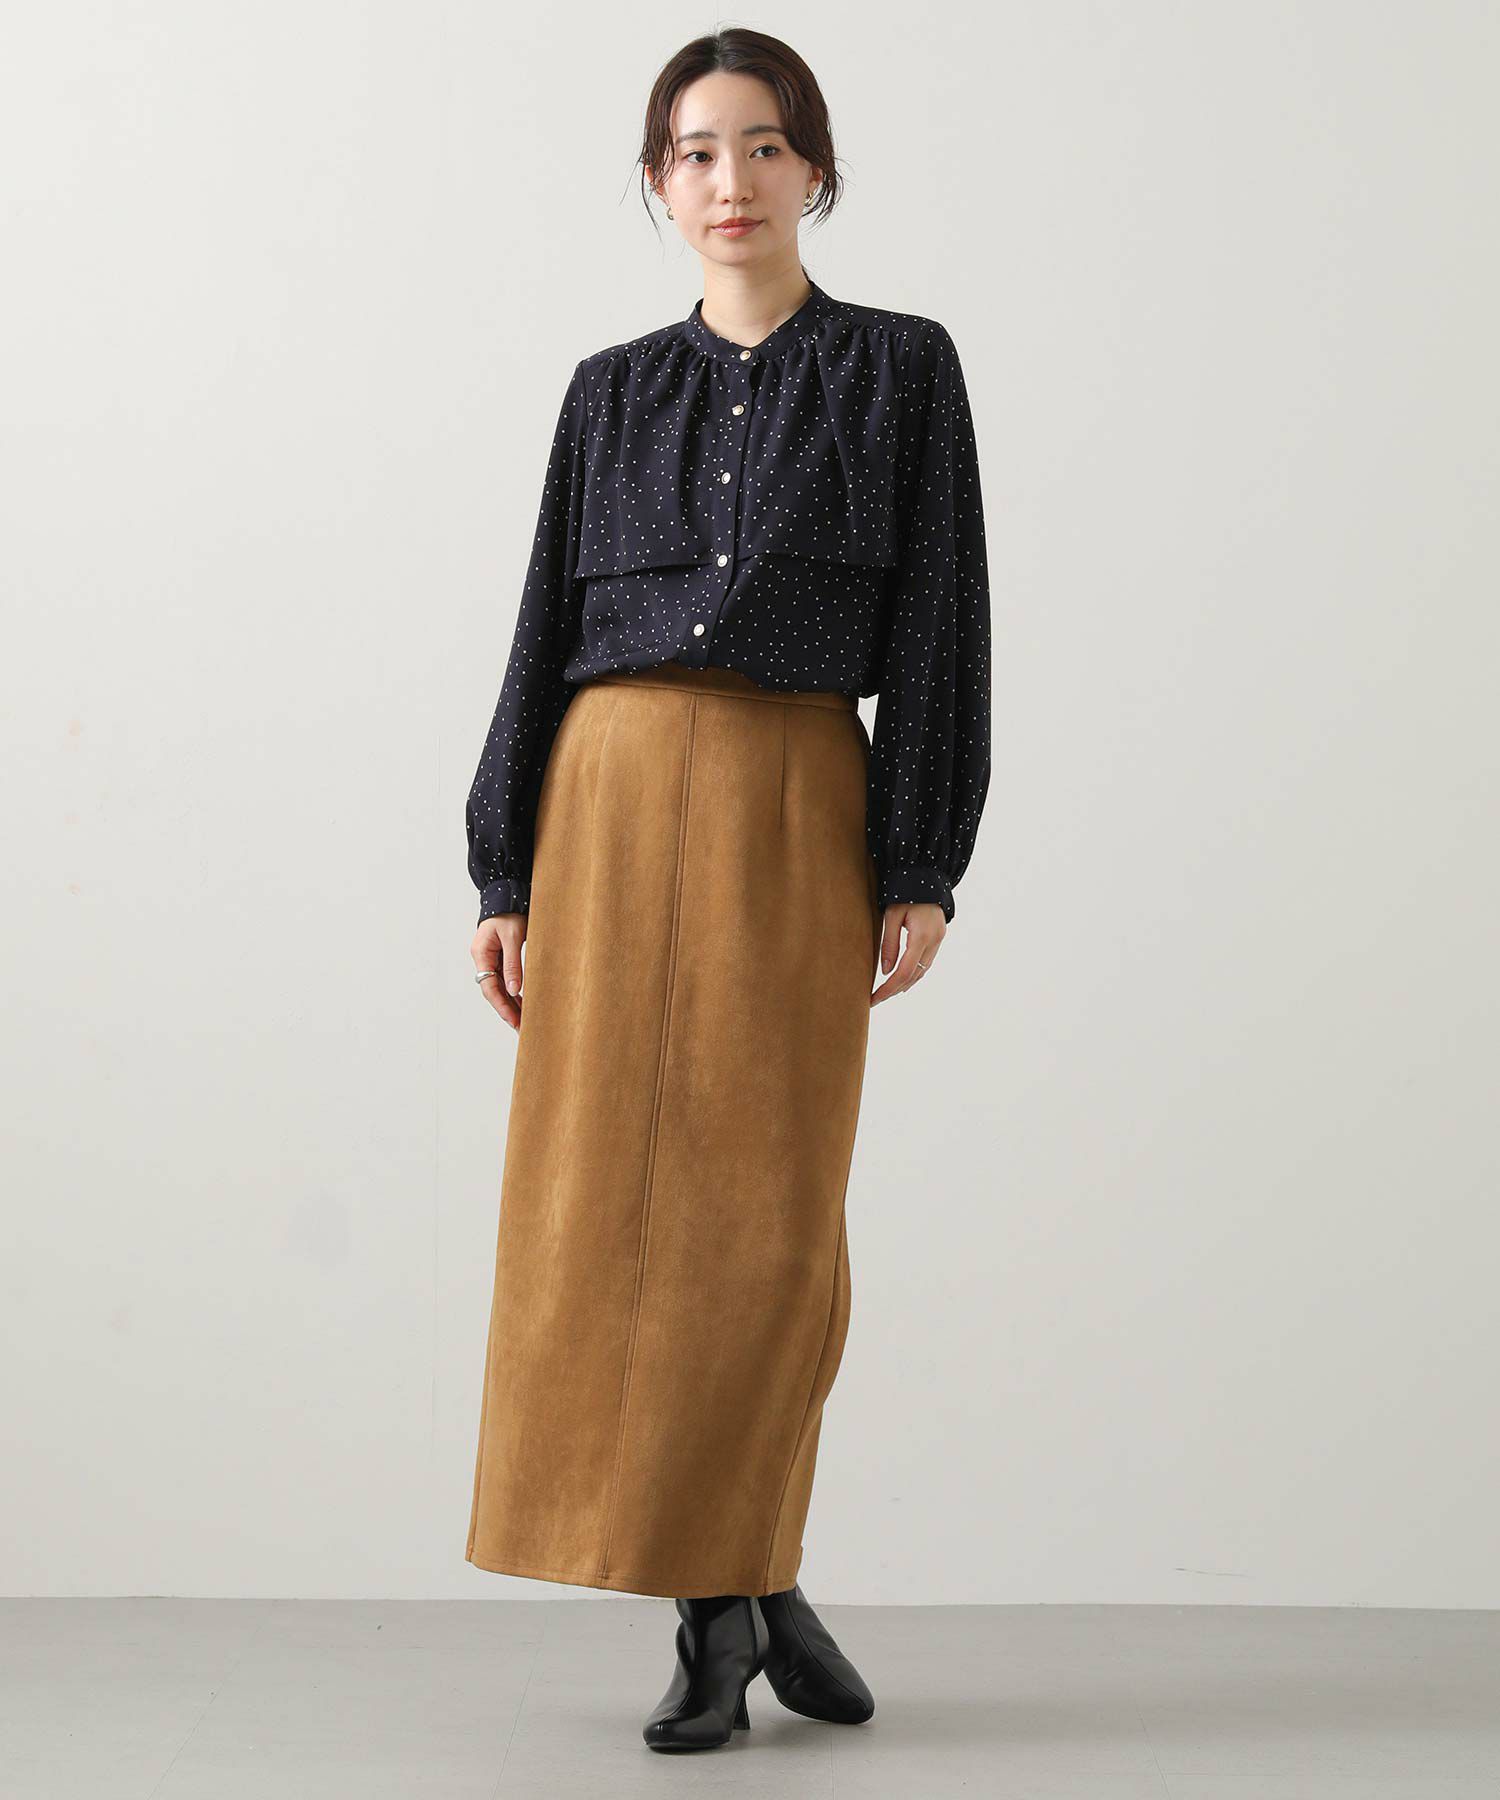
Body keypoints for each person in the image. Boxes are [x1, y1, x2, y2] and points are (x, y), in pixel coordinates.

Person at [463, 27, 991, 1754]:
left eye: (763, 147)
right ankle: (726, 1606)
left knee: (766, 1218)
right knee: (606, 1207)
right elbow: (541, 627)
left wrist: (920, 855)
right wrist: (502, 861)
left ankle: (747, 1572)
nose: (730, 181)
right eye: (695, 153)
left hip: (791, 792)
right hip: (608, 798)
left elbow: (940, 621)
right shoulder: (610, 391)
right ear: (656, 184)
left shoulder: (900, 370)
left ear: (815, 170)